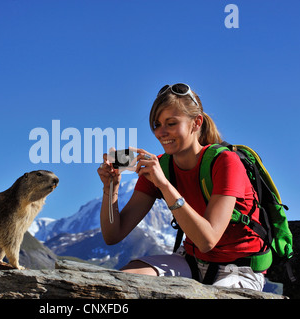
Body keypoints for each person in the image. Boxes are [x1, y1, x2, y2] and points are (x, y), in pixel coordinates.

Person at [97, 83, 265, 291]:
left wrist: (164, 184)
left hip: (239, 269)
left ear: (197, 123)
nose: (161, 132)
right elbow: (113, 236)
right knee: (122, 283)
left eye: (171, 123)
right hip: (191, 261)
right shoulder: (160, 167)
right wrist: (110, 188)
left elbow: (207, 241)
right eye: (156, 124)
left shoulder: (225, 162)